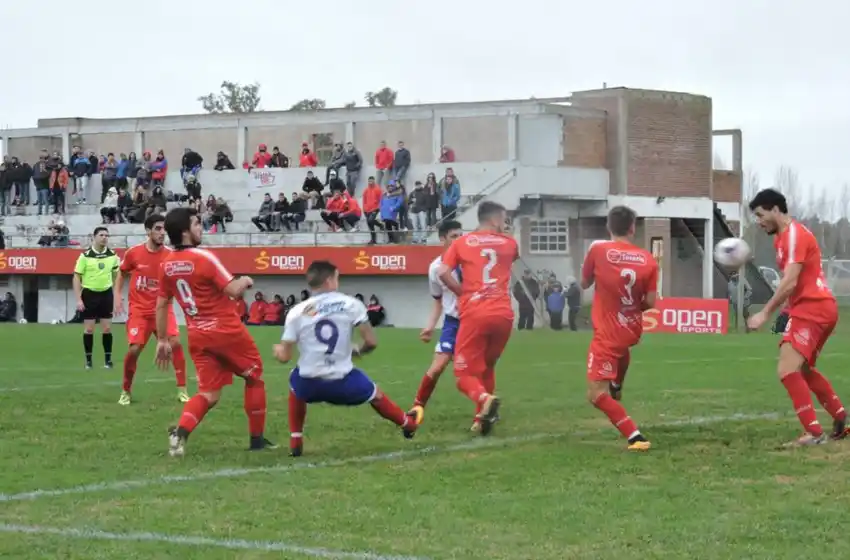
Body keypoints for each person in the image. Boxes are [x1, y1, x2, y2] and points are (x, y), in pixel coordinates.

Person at [154, 207, 274, 456]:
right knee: (255, 377)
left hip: (197, 335)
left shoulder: (166, 265)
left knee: (208, 393)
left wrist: (162, 339)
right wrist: (246, 280)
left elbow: (162, 303)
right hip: (225, 330)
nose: (201, 228)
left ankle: (181, 432)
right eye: (197, 224)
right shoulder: (204, 257)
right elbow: (232, 290)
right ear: (185, 232)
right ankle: (256, 440)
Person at [273, 260, 419, 457]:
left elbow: (285, 357)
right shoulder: (351, 304)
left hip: (309, 384)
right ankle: (408, 424)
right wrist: (357, 350)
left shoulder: (297, 311)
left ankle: (296, 439)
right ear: (330, 279)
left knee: (294, 381)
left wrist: (278, 350)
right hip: (342, 382)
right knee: (375, 395)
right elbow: (371, 342)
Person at [746, 188, 849, 446]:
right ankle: (839, 415)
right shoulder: (782, 238)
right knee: (802, 368)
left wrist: (765, 313)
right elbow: (795, 285)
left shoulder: (793, 235)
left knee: (786, 368)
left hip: (813, 308)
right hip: (813, 308)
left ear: (775, 210)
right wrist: (783, 317)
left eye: (760, 215)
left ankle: (814, 434)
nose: (758, 222)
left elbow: (790, 282)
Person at [435, 201, 517, 435]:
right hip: (503, 315)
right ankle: (481, 419)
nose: (505, 224)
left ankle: (483, 399)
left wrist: (462, 293)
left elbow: (442, 272)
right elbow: (511, 258)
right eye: (503, 219)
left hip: (476, 312)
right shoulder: (510, 242)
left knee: (463, 374)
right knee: (487, 366)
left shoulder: (462, 242)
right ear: (493, 220)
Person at [580, 206, 656, 451]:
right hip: (632, 327)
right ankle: (618, 384)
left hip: (608, 332)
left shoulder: (598, 250)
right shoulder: (647, 259)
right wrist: (631, 309)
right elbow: (652, 301)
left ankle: (635, 436)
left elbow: (584, 283)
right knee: (621, 350)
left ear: (609, 227)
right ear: (633, 228)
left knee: (596, 395)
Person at [113, 214, 189, 406]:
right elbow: (122, 274)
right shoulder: (133, 253)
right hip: (139, 311)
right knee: (134, 349)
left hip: (163, 309)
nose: (162, 233)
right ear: (147, 231)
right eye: (157, 228)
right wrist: (116, 295)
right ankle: (126, 391)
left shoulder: (171, 255)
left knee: (176, 343)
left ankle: (182, 390)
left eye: (164, 229)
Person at [409, 221, 464, 422]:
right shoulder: (435, 268)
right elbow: (438, 302)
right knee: (438, 366)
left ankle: (483, 410)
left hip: (474, 321)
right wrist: (430, 326)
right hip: (453, 323)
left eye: (461, 235)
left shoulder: (472, 261)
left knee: (474, 370)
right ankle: (417, 407)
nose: (459, 239)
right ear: (442, 239)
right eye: (454, 236)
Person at [73, 227, 121, 369]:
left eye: (107, 235)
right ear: (94, 237)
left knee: (106, 329)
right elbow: (76, 277)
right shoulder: (85, 256)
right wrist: (78, 299)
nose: (105, 237)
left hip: (106, 294)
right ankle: (88, 361)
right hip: (89, 294)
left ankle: (108, 360)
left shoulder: (113, 256)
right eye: (101, 235)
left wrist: (117, 293)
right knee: (89, 330)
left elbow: (118, 275)